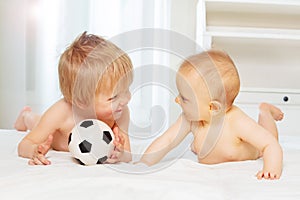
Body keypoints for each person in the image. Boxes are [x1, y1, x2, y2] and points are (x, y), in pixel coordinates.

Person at [139, 49, 284, 180]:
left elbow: (270, 144)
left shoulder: (236, 121)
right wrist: (144, 162)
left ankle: (266, 112)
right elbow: (167, 140)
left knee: (268, 134)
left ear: (213, 107)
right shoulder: (190, 120)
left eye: (184, 98)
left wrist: (271, 169)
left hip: (256, 151)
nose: (177, 100)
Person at [15, 31, 133, 165]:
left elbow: (128, 156)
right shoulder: (61, 113)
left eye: (126, 89)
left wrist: (120, 154)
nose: (126, 100)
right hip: (55, 135)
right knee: (36, 121)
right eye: (114, 97)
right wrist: (34, 150)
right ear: (81, 101)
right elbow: (24, 145)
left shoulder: (120, 113)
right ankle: (25, 116)